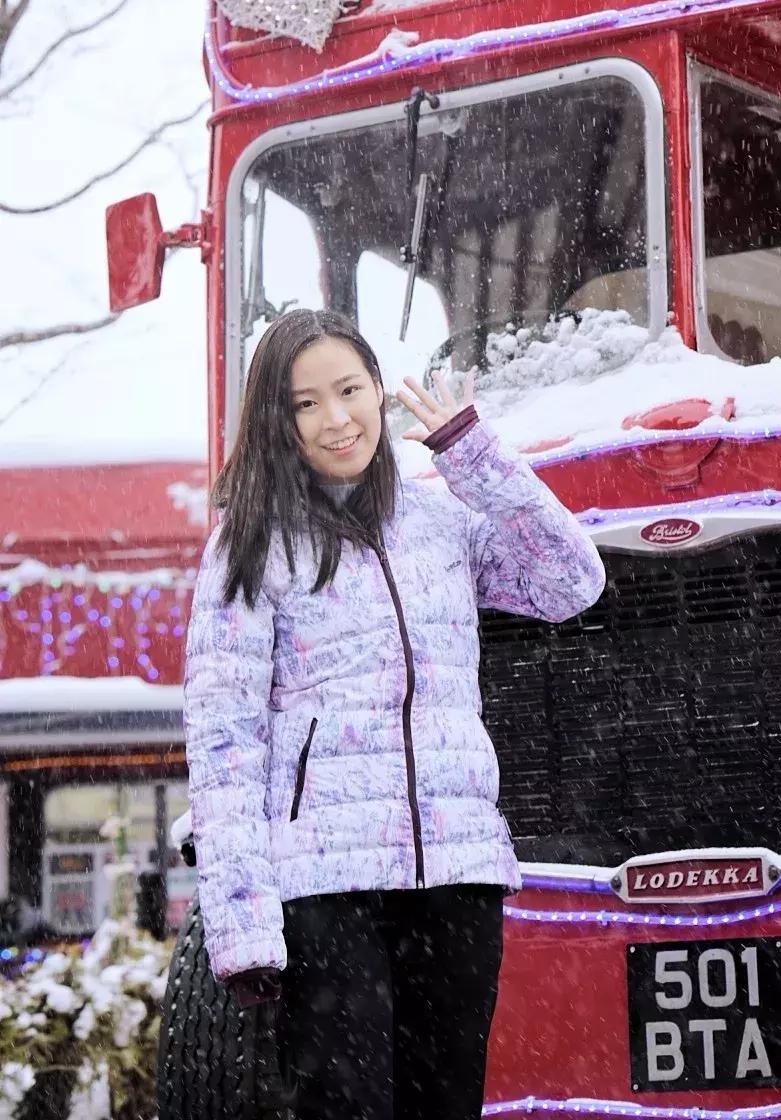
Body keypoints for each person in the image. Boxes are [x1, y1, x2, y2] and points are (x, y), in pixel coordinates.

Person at [182, 307, 606, 1119]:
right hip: (325, 888)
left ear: (380, 390)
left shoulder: (442, 524)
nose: (337, 419)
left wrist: (472, 453)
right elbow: (224, 740)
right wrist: (243, 932)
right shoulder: (250, 544)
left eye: (350, 390)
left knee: (445, 1105)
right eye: (307, 403)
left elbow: (569, 581)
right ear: (278, 419)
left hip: (455, 874)